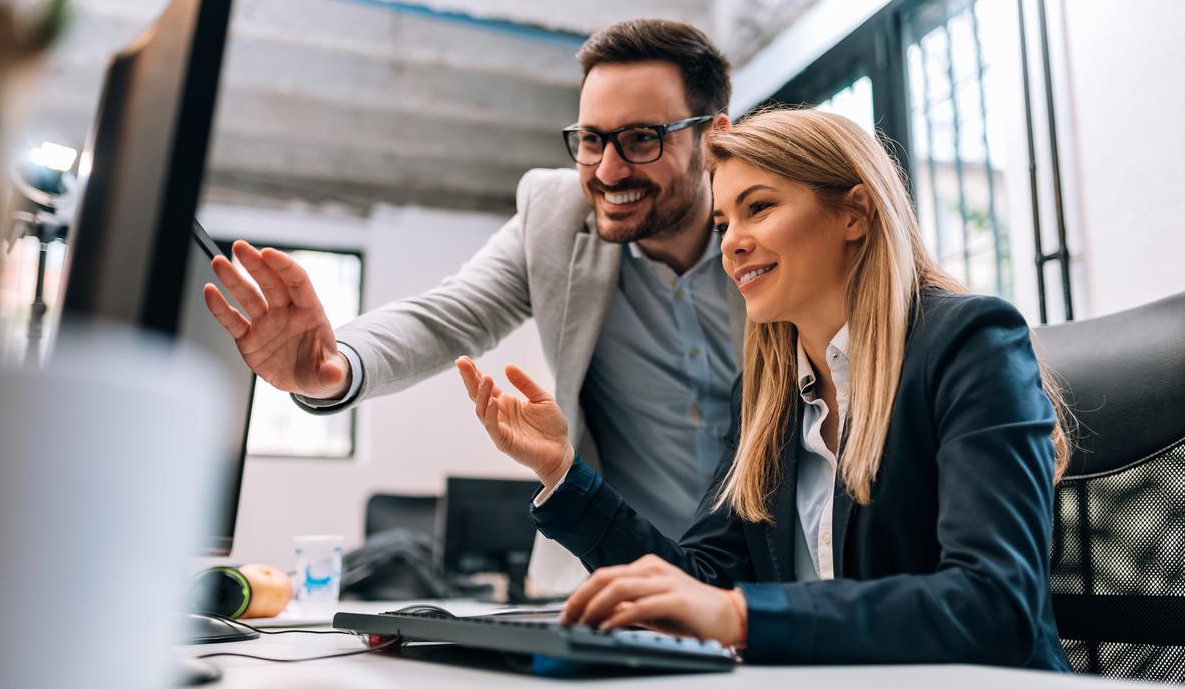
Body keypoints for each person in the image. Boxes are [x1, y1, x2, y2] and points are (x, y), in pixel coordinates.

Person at [454, 107, 1073, 668]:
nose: (732, 243)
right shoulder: (764, 394)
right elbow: (699, 582)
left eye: (760, 208)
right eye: (724, 221)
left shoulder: (971, 344)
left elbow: (994, 604)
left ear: (854, 213)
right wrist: (563, 472)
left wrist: (741, 618)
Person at [201, 20, 744, 591]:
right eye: (590, 140)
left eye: (641, 139)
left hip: (774, 576)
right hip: (618, 576)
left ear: (713, 137)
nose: (608, 170)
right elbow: (449, 314)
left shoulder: (774, 231)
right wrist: (336, 364)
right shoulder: (556, 217)